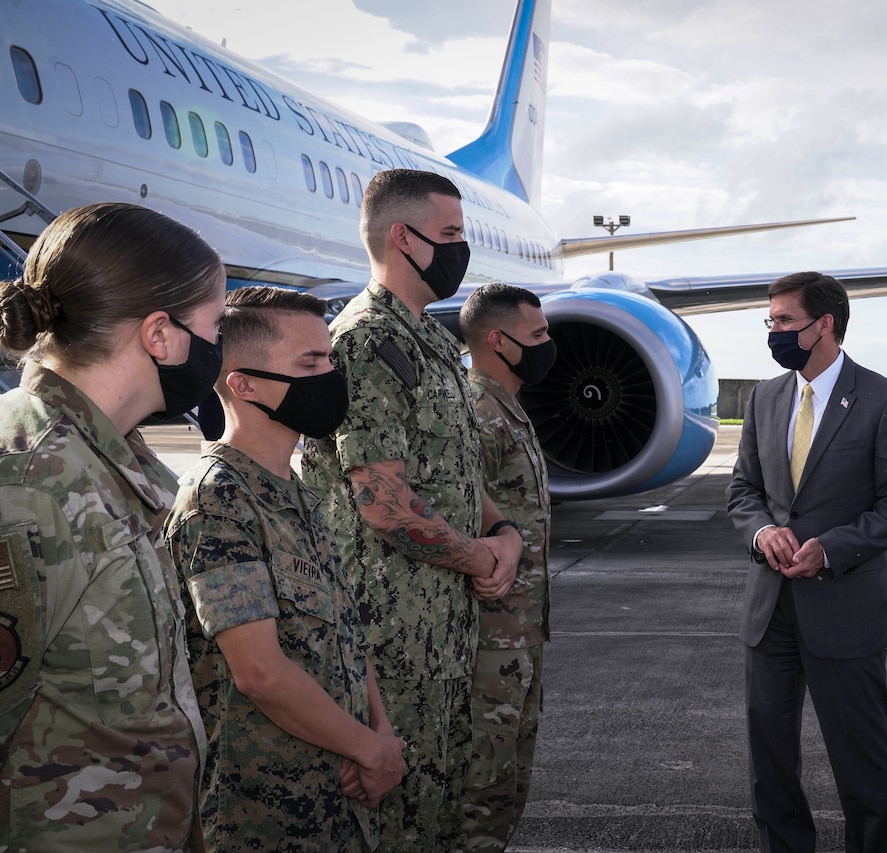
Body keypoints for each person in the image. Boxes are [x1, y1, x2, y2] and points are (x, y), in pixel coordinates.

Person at [302, 169, 523, 853]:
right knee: (393, 826)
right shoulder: (366, 343)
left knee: (436, 818)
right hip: (389, 644)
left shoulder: (428, 342)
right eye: (452, 235)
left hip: (441, 636)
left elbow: (450, 475)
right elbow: (384, 505)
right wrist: (479, 556)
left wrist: (503, 530)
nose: (462, 251)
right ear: (405, 237)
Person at [0, 202, 220, 850]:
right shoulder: (28, 481)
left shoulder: (110, 455)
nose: (220, 345)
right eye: (214, 324)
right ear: (161, 335)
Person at [163, 286, 407, 851]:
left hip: (338, 789)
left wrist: (378, 733)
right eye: (310, 363)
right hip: (264, 810)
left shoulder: (292, 490)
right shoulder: (219, 498)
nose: (329, 376)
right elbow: (260, 673)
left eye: (329, 360)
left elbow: (344, 631)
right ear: (243, 385)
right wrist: (371, 752)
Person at [726, 271, 887, 853]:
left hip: (846, 610)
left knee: (863, 765)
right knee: (770, 766)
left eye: (785, 321)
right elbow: (744, 490)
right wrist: (764, 531)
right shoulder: (764, 397)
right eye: (771, 321)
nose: (775, 332)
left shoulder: (884, 399)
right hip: (771, 611)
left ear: (825, 325)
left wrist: (832, 549)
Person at [457, 283, 554, 851]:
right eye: (538, 335)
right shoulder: (479, 412)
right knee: (482, 788)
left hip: (521, 632)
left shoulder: (505, 406)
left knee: (508, 785)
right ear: (498, 340)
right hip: (490, 637)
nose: (548, 346)